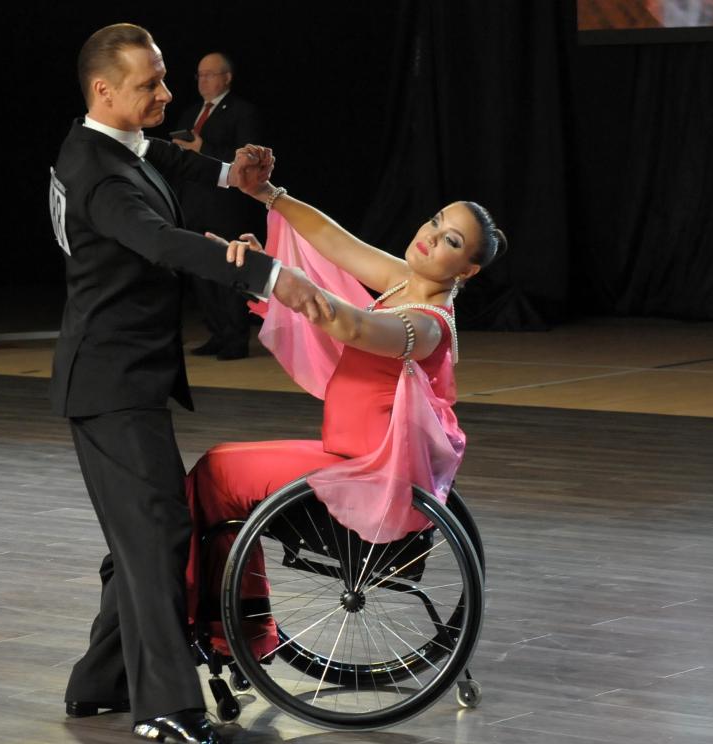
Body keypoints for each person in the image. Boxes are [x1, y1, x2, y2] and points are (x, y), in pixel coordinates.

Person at [49, 23, 329, 744]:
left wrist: (236, 175)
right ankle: (165, 709)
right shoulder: (96, 172)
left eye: (165, 78)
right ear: (103, 90)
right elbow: (160, 240)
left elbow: (166, 157)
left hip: (126, 376)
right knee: (155, 535)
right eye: (150, 84)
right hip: (108, 384)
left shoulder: (117, 146)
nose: (166, 94)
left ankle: (98, 685)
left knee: (147, 530)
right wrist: (268, 274)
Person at [186, 182, 507, 658]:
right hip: (344, 455)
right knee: (220, 470)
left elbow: (354, 326)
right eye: (437, 221)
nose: (433, 236)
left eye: (452, 242)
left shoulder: (428, 324)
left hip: (364, 473)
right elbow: (336, 242)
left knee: (214, 473)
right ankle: (231, 629)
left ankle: (217, 629)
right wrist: (270, 195)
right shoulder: (404, 282)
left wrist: (272, 277)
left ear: (468, 270)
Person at [172, 52, 264, 361]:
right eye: (199, 75)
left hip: (225, 206)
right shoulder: (189, 113)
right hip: (193, 203)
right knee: (201, 271)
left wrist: (202, 148)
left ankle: (236, 337)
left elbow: (247, 159)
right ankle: (217, 332)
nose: (203, 80)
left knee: (228, 271)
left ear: (227, 78)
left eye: (210, 74)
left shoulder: (242, 112)